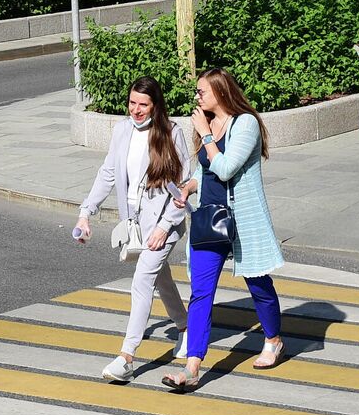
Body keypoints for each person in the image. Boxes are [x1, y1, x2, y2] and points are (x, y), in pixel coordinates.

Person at [163, 68, 284, 392]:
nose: (197, 97)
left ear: (220, 91)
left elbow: (227, 168)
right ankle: (192, 367)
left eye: (202, 92)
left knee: (258, 283)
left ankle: (273, 339)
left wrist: (204, 134)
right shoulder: (208, 123)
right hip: (209, 218)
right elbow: (207, 171)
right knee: (201, 293)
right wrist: (189, 187)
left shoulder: (245, 123)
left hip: (242, 219)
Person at [75, 77, 192, 383]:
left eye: (143, 104)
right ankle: (185, 328)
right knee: (160, 277)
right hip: (135, 225)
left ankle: (127, 357)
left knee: (142, 281)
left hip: (164, 222)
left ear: (156, 105)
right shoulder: (123, 130)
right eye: (132, 103)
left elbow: (182, 190)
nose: (136, 110)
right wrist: (86, 212)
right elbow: (108, 173)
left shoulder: (171, 134)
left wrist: (165, 228)